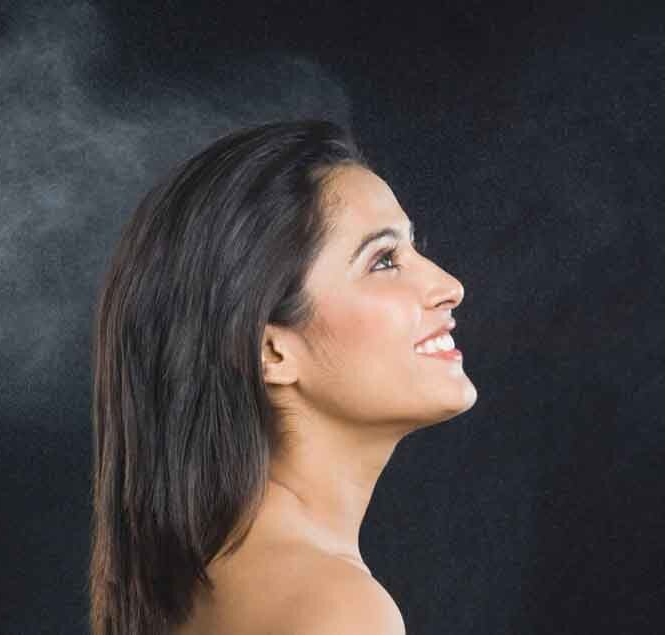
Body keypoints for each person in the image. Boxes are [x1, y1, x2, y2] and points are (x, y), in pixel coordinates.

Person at [88, 119, 478, 634]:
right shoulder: (341, 611)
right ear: (272, 350)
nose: (449, 287)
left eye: (412, 249)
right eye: (383, 260)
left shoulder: (190, 586)